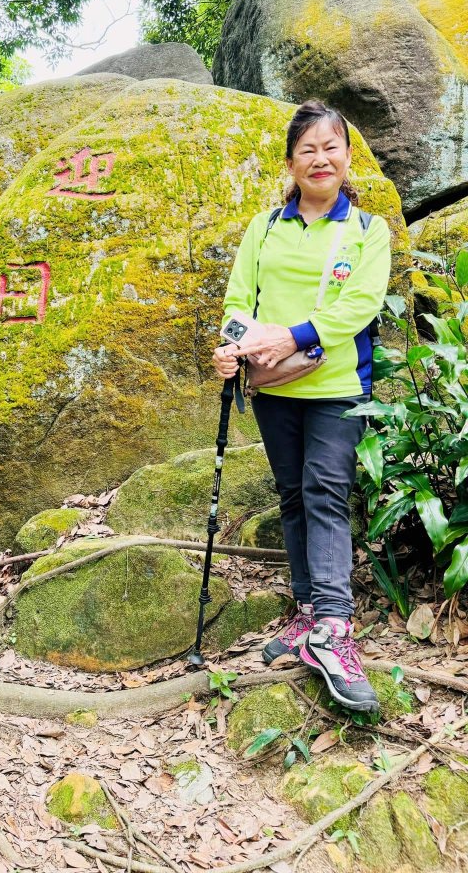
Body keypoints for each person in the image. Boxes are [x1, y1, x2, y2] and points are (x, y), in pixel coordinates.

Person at [213, 100, 391, 713]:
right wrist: (234, 348)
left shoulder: (368, 231)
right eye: (307, 149)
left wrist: (287, 337)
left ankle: (334, 632)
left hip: (338, 386)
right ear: (291, 162)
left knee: (325, 493)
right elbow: (238, 302)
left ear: (347, 157)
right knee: (292, 494)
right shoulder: (264, 227)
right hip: (273, 387)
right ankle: (307, 611)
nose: (321, 158)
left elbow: (359, 307)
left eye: (331, 147)